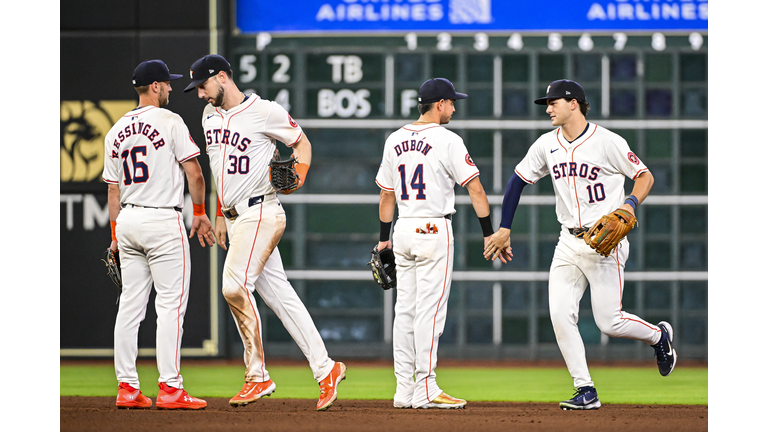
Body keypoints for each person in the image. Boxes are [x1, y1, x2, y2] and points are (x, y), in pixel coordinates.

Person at [483, 79, 677, 410]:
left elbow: (644, 176)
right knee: (559, 313)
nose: (548, 108)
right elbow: (517, 182)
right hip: (568, 242)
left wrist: (629, 205)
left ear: (574, 103)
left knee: (609, 322)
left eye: (553, 102)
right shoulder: (547, 144)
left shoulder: (607, 142)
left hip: (605, 243)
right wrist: (504, 228)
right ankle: (585, 389)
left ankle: (659, 337)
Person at [183, 54, 346, 411]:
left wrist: (299, 175)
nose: (199, 94)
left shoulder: (265, 111)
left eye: (203, 86)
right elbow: (218, 169)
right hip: (236, 217)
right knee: (282, 298)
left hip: (262, 211)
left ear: (223, 77)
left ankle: (257, 376)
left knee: (234, 285)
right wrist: (220, 213)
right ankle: (326, 368)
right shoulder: (209, 116)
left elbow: (301, 144)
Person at [375, 78, 510, 410]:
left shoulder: (394, 139)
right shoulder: (448, 140)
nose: (454, 107)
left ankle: (404, 390)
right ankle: (426, 386)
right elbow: (475, 190)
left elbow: (386, 195)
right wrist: (489, 233)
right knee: (430, 311)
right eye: (451, 102)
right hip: (434, 228)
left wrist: (382, 240)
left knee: (404, 310)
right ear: (438, 105)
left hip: (403, 229)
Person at [103, 59, 216, 410]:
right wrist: (199, 213)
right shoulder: (169, 121)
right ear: (154, 86)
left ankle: (127, 388)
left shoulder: (114, 131)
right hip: (163, 222)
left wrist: (115, 236)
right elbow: (194, 174)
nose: (169, 88)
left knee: (130, 307)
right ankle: (170, 387)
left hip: (129, 222)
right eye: (166, 84)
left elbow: (113, 192)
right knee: (170, 306)